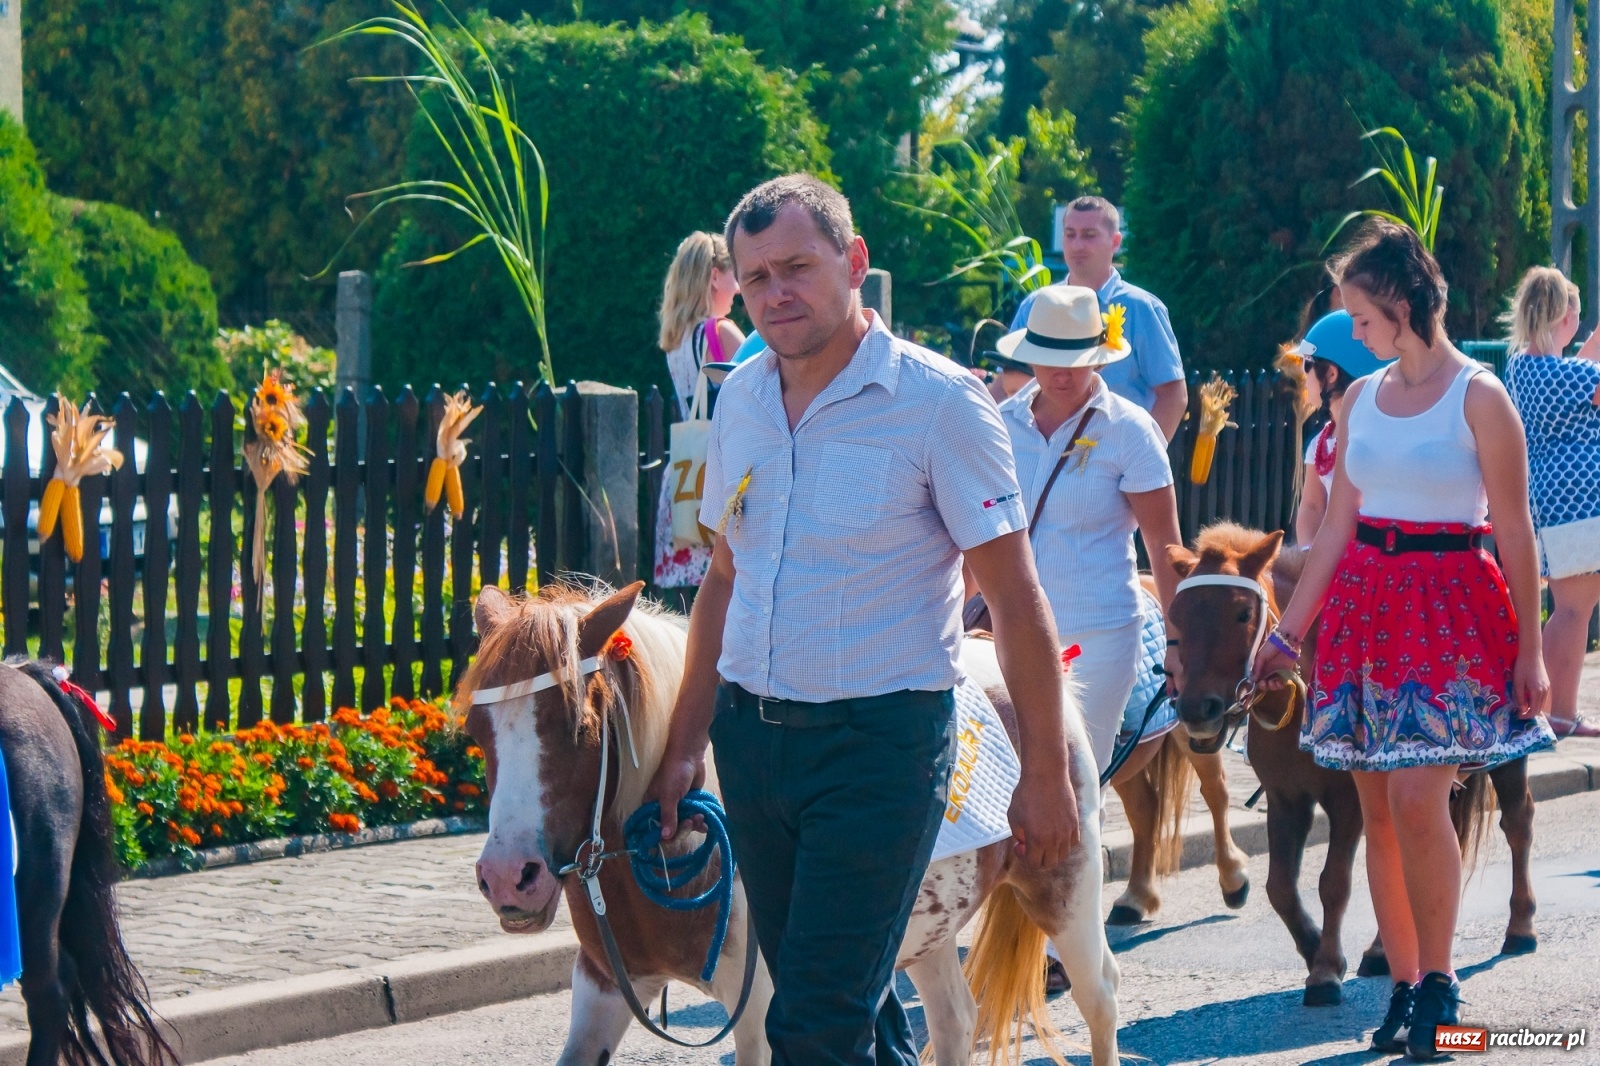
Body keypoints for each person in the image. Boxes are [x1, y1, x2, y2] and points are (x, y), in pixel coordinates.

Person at [645, 174, 1080, 1065]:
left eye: (798, 267)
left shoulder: (941, 404)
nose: (776, 293)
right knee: (852, 1007)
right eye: (756, 276)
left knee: (813, 1022)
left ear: (855, 262)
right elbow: (723, 576)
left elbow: (1018, 595)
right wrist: (687, 741)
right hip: (755, 750)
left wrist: (1046, 770)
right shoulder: (742, 399)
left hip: (879, 748)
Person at [1254, 220, 1553, 1061]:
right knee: (1377, 811)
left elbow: (1519, 534)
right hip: (1364, 608)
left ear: (1405, 303)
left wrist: (1531, 649)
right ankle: (1407, 988)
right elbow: (1338, 528)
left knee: (1422, 799)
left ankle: (1443, 986)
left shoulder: (1481, 396)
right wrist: (1286, 637)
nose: (1353, 332)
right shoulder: (1358, 400)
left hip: (1451, 602)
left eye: (1362, 315)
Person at [988, 284, 1183, 772]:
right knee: (1007, 779)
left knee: (1077, 781)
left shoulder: (1130, 430)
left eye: (1076, 357)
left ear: (1098, 356)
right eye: (1048, 356)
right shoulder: (1000, 423)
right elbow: (979, 530)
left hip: (1099, 634)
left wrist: (1179, 645)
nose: (1061, 371)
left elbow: (1165, 547)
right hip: (1009, 628)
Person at [1502, 266, 1600, 738]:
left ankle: (1557, 712)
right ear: (1563, 317)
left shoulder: (1526, 366)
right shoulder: (1561, 376)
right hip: (1578, 502)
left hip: (1553, 500)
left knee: (1570, 605)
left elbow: (1578, 373)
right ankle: (1560, 714)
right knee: (1575, 609)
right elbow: (1591, 383)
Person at [1009, 197, 1188, 440]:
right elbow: (1008, 384)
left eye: (1089, 235)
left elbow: (1173, 396)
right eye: (1070, 234)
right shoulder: (1037, 306)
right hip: (1045, 456)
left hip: (1118, 453)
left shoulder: (1141, 308)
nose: (1077, 245)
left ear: (1115, 242)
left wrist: (1142, 458)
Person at [652, 232, 745, 602]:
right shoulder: (718, 331)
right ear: (714, 276)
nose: (738, 288)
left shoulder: (675, 340)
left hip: (685, 474)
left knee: (690, 601)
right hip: (720, 471)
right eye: (733, 275)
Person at [1293, 311, 1383, 544]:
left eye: (1306, 365)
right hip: (1333, 561)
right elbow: (1312, 507)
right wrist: (1308, 553)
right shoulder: (1320, 441)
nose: (1301, 376)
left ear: (1331, 374)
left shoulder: (1381, 436)